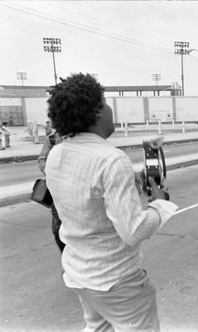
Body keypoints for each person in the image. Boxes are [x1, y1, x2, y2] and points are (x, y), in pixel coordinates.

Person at [45, 73, 177, 331]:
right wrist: (159, 205)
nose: (109, 108)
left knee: (97, 327)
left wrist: (133, 182)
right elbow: (133, 231)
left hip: (80, 273)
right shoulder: (111, 159)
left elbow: (88, 198)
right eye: (105, 102)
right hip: (118, 282)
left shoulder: (57, 153)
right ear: (95, 111)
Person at [38, 131, 65, 253]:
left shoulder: (80, 136)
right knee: (57, 227)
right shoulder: (52, 139)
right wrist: (49, 169)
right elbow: (41, 158)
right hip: (56, 187)